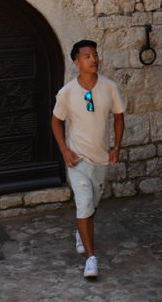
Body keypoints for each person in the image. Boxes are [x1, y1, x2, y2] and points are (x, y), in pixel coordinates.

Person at [51, 39, 126, 279]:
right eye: (87, 57)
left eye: (94, 55)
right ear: (77, 63)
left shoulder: (109, 87)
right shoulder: (66, 93)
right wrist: (64, 150)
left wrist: (116, 148)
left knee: (92, 204)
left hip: (101, 158)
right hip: (77, 158)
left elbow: (118, 117)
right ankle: (91, 259)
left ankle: (81, 231)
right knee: (84, 202)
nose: (93, 59)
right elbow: (55, 121)